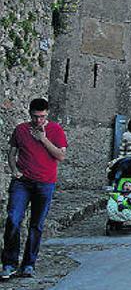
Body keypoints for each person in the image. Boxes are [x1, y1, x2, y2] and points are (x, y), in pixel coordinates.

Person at [1, 98, 67, 280]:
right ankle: (9, 263)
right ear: (30, 114)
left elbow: (61, 156)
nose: (39, 120)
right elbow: (12, 152)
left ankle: (29, 264)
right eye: (36, 116)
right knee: (13, 219)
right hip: (22, 182)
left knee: (36, 225)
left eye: (43, 117)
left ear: (47, 114)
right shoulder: (21, 129)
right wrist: (14, 170)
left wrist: (43, 139)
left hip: (45, 183)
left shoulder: (56, 130)